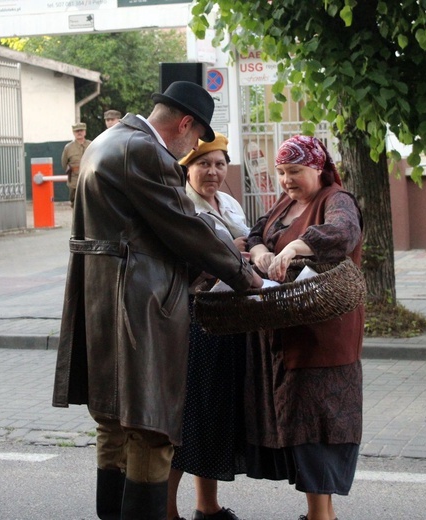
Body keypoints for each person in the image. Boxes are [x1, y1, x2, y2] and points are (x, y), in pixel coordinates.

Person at [52, 81, 263, 520]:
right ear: (185, 124)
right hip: (142, 308)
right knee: (152, 432)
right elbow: (185, 226)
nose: (192, 149)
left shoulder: (107, 140)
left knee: (113, 424)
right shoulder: (145, 151)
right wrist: (247, 277)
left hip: (101, 302)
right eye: (196, 138)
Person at [246, 135, 364, 520]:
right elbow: (255, 233)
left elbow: (344, 232)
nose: (286, 180)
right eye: (281, 172)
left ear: (317, 167)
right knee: (301, 424)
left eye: (295, 171)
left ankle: (320, 515)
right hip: (288, 332)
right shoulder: (286, 203)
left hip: (324, 338)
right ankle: (320, 515)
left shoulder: (335, 199)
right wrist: (262, 251)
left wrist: (295, 247)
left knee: (319, 426)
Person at [166, 133, 250, 520]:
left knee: (212, 414)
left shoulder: (229, 203)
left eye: (219, 163)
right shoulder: (181, 206)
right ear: (187, 168)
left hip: (227, 320)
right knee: (187, 420)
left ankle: (207, 506)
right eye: (203, 164)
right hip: (194, 322)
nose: (213, 172)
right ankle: (167, 510)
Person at [61, 122, 91, 208]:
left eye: (81, 130)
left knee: (89, 202)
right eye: (77, 131)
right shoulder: (68, 147)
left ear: (85, 132)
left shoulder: (91, 144)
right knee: (75, 203)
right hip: (74, 179)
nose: (79, 133)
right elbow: (64, 164)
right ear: (73, 133)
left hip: (89, 178)